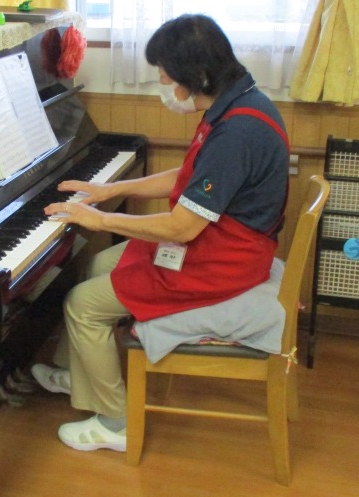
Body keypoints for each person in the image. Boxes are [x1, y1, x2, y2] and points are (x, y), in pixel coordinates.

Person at [31, 13, 289, 453]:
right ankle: (82, 373)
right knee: (99, 262)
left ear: (198, 75)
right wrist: (110, 190)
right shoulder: (236, 101)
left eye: (167, 76)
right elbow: (187, 177)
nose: (164, 85)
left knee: (81, 305)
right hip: (220, 245)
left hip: (223, 263)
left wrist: (102, 219)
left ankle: (116, 423)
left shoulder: (237, 132)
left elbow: (182, 227)